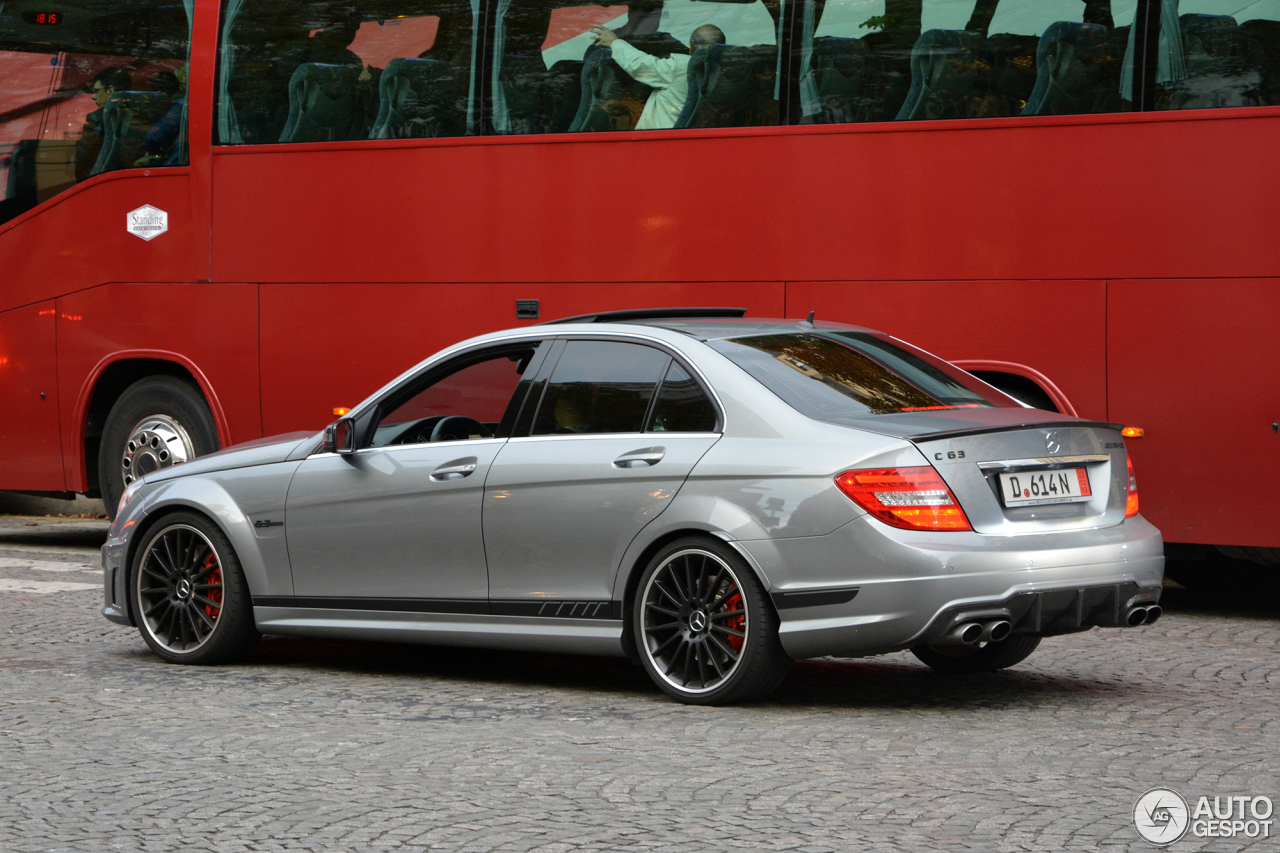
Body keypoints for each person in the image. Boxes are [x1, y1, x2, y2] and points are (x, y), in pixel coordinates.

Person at [588, 23, 725, 129]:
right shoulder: (726, 73)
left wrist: (614, 42)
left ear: (691, 47)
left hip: (661, 143)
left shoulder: (684, 66)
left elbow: (640, 65)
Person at [76, 66, 132, 181]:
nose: (93, 97)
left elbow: (84, 158)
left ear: (110, 90)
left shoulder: (97, 118)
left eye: (97, 91)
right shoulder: (140, 115)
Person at [136, 61, 187, 167]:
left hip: (176, 162)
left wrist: (145, 147)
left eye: (182, 84)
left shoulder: (183, 104)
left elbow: (155, 135)